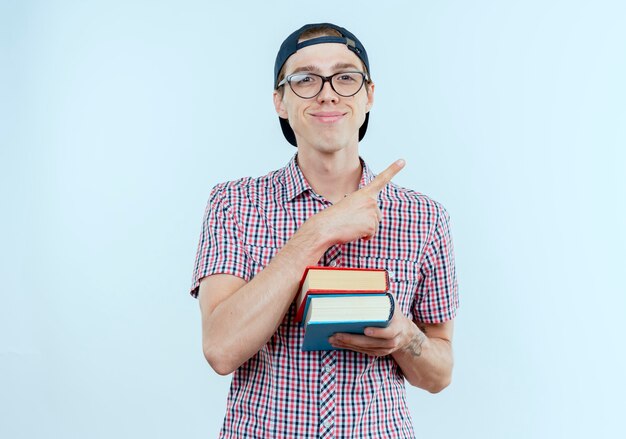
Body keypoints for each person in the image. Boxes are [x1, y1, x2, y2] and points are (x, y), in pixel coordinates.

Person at [190, 22, 459, 438]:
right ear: (280, 101)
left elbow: (440, 374)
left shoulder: (424, 216)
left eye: (346, 77)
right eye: (305, 79)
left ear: (369, 95)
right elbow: (221, 350)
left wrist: (406, 336)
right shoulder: (234, 204)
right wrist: (320, 231)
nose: (328, 92)